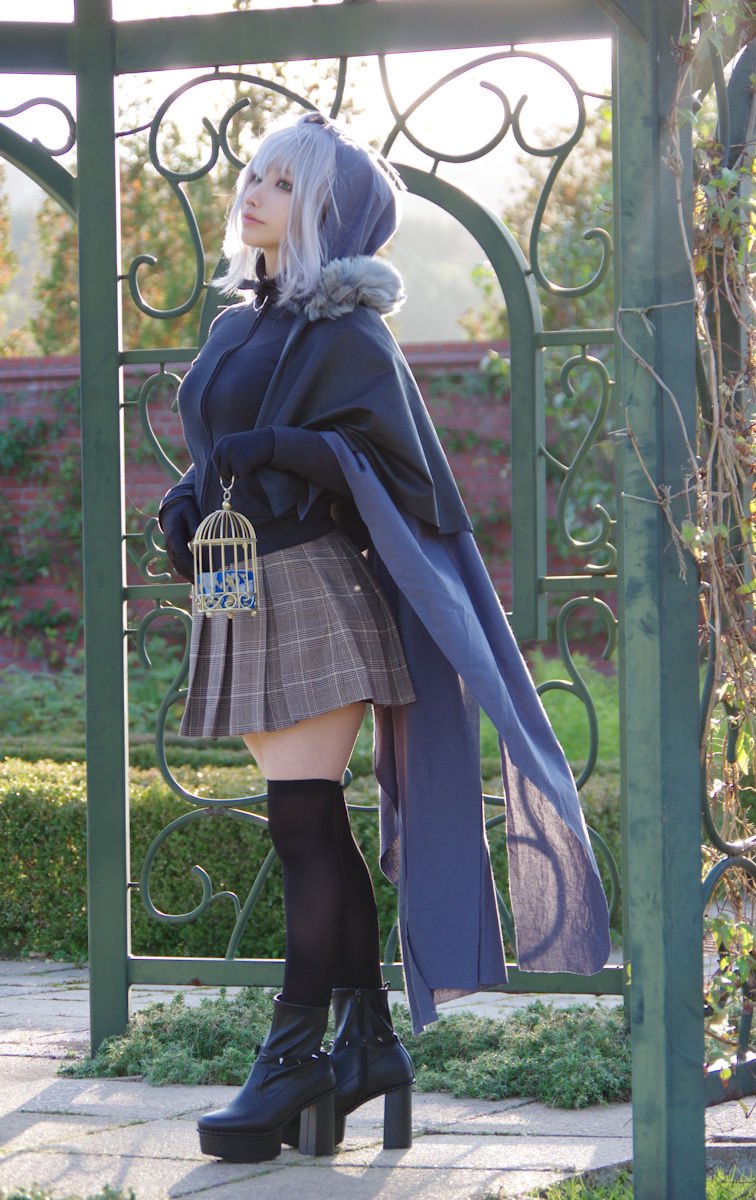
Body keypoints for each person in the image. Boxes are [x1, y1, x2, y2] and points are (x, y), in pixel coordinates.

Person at [159, 112, 610, 1166]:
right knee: (312, 825)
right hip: (237, 591)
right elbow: (215, 449)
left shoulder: (349, 333)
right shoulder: (235, 328)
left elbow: (403, 475)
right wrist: (186, 499)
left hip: (314, 593)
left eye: (282, 182)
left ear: (328, 209)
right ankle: (368, 1045)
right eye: (253, 173)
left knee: (301, 823)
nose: (253, 191)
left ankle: (292, 1057)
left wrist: (288, 447)